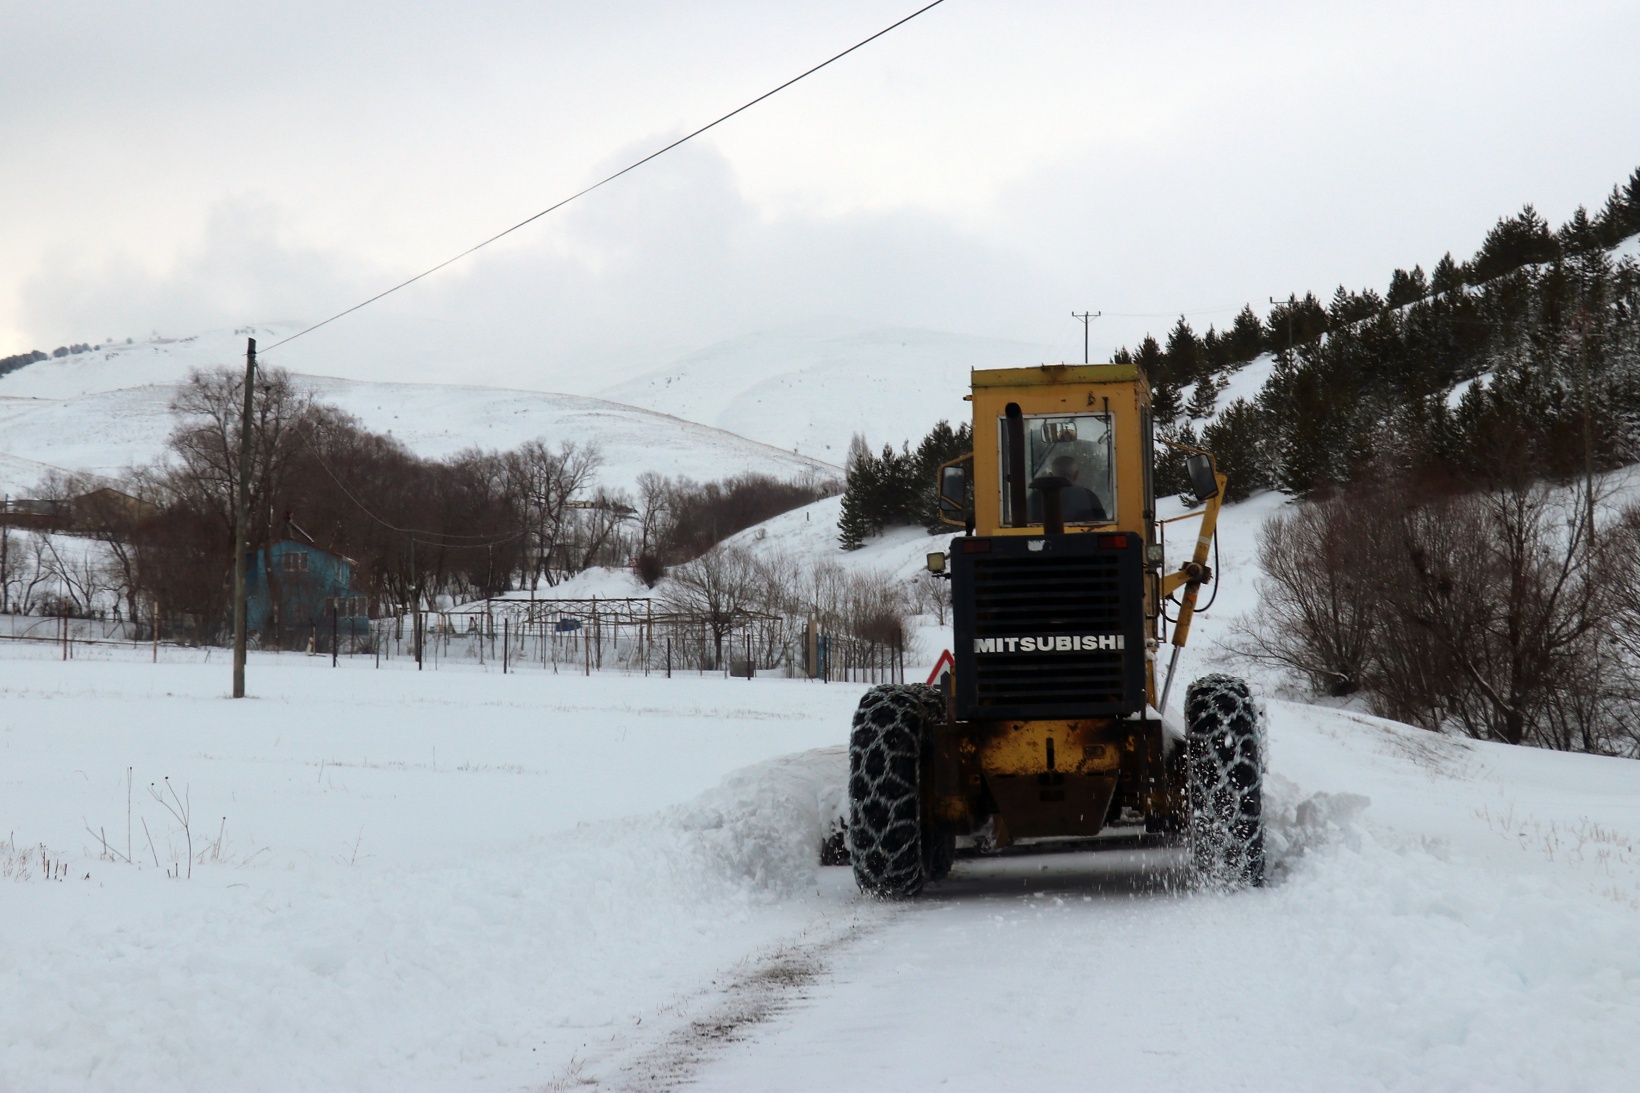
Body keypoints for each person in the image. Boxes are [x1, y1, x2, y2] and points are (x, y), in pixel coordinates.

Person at [1049, 454, 1106, 522]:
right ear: (1076, 475)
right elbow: (1103, 526)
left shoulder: (1037, 497)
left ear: (1050, 475)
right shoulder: (1089, 496)